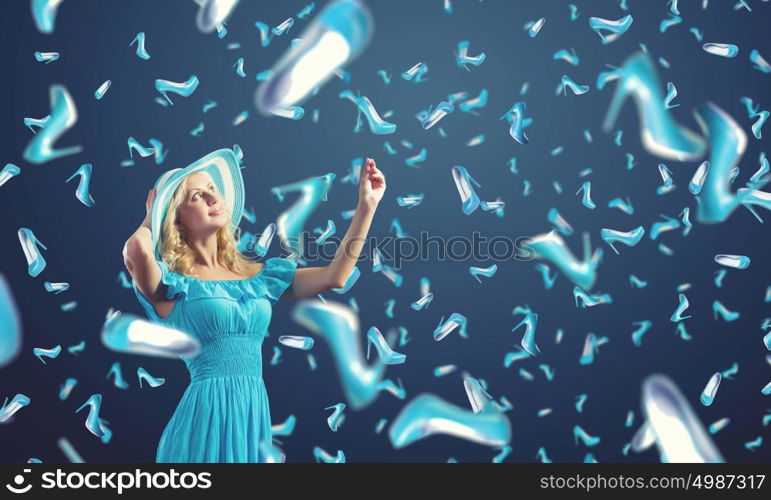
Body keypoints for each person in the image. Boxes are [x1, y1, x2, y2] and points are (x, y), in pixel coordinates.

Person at [122, 148, 385, 462]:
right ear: (177, 222)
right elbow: (137, 246)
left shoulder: (258, 276)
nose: (211, 198)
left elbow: (335, 276)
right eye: (196, 197)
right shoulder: (171, 285)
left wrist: (367, 206)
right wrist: (153, 215)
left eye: (211, 190)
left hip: (252, 415)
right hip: (205, 419)